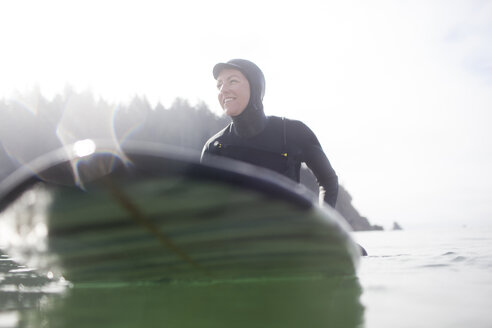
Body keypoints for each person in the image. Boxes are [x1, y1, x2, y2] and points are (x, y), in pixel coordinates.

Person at [201, 59, 339, 208]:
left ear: (255, 87)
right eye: (219, 85)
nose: (223, 90)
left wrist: (319, 226)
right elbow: (204, 202)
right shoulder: (215, 146)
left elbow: (328, 180)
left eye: (232, 81)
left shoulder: (293, 132)